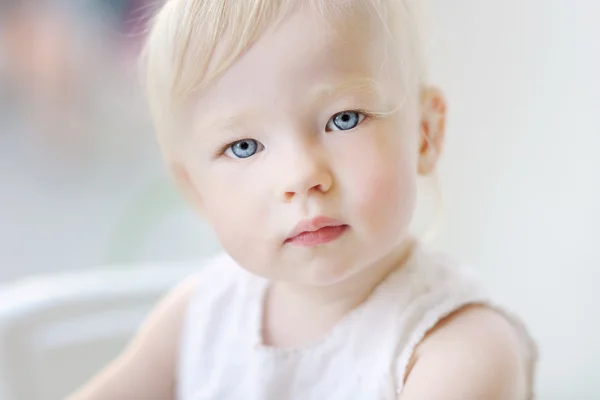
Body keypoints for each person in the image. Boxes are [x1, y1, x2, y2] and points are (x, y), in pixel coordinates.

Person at [68, 0, 537, 398]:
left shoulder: (459, 350)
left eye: (345, 119)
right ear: (196, 190)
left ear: (424, 135)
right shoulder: (202, 313)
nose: (301, 177)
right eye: (244, 147)